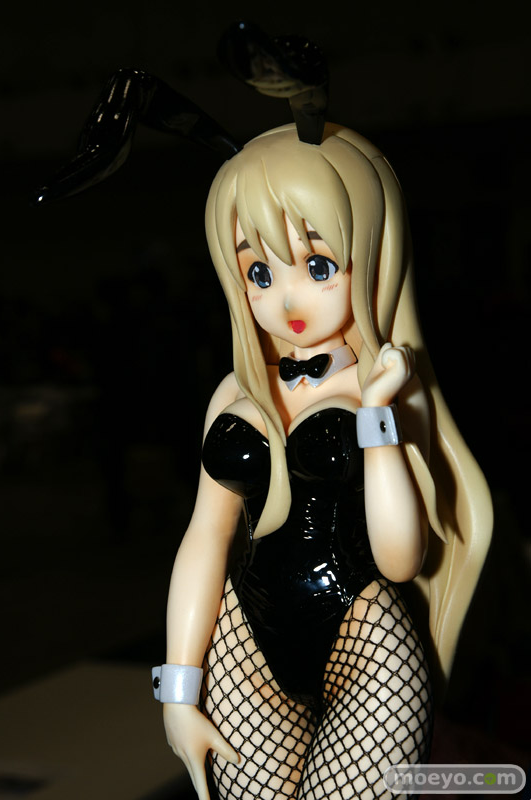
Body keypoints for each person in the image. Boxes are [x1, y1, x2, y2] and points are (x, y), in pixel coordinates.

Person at [154, 122, 492, 800]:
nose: (286, 300)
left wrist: (377, 416)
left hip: (367, 646)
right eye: (258, 272)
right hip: (242, 642)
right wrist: (176, 689)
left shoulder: (389, 383)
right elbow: (206, 535)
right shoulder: (233, 389)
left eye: (317, 265)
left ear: (371, 253)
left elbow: (400, 560)